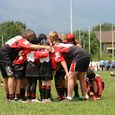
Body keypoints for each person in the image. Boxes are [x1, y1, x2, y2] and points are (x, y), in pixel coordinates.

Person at [0, 29, 50, 101]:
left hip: (3, 53)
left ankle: (8, 97)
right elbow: (30, 46)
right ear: (29, 35)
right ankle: (11, 98)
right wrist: (45, 47)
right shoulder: (22, 39)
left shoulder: (18, 37)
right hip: (5, 55)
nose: (33, 38)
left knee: (6, 77)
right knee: (11, 76)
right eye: (33, 36)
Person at [49, 33, 90, 101]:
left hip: (78, 56)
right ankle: (84, 96)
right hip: (86, 54)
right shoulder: (68, 45)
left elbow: (62, 61)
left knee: (70, 77)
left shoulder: (56, 48)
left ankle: (69, 97)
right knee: (82, 78)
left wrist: (67, 72)